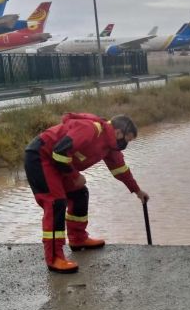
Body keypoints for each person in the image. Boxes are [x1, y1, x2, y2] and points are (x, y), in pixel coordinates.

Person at [24, 113, 149, 274]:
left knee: (79, 194)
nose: (126, 144)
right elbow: (60, 152)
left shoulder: (111, 147)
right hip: (41, 156)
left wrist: (137, 191)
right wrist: (75, 176)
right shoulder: (91, 130)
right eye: (127, 140)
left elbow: (121, 171)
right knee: (56, 203)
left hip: (59, 163)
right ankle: (54, 258)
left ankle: (78, 239)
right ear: (118, 132)